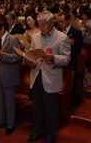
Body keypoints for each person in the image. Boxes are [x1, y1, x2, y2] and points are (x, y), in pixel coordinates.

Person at [27, 11, 71, 143]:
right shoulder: (35, 37)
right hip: (36, 75)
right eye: (39, 25)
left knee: (50, 109)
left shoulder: (62, 37)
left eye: (44, 25)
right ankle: (38, 131)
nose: (41, 28)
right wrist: (31, 61)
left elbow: (67, 58)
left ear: (52, 23)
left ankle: (51, 134)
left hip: (51, 77)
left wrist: (53, 57)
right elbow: (33, 54)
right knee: (37, 107)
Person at [0, 18, 22, 136]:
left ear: (3, 28)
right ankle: (0, 120)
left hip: (9, 74)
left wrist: (2, 55)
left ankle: (10, 124)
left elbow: (17, 57)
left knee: (9, 101)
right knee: (0, 100)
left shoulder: (13, 39)